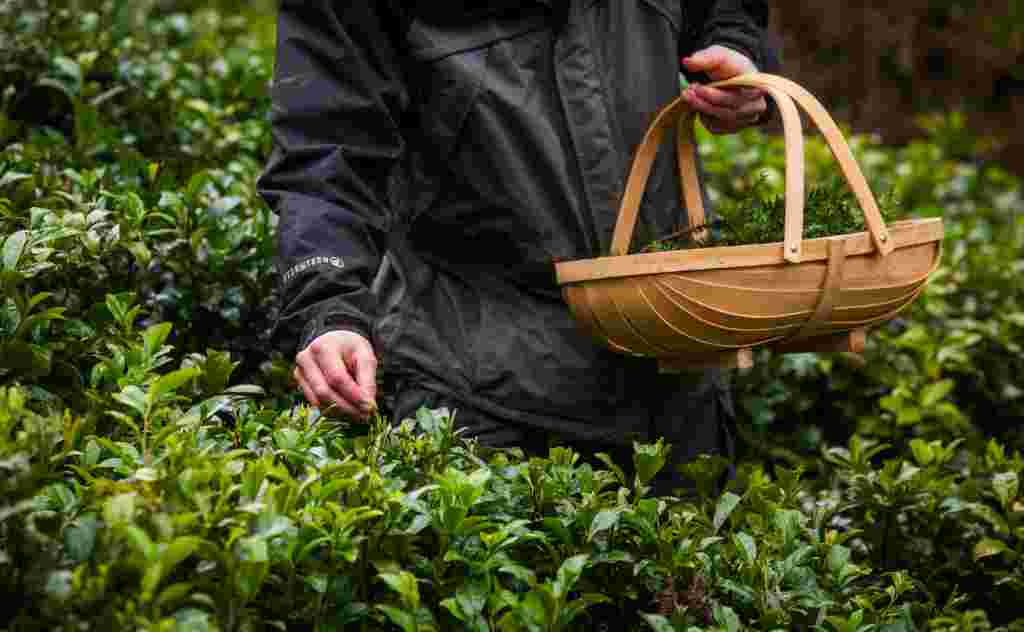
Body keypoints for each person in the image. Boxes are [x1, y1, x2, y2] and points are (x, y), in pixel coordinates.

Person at [258, 1, 780, 495]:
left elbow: (726, 9)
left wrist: (735, 46)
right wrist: (330, 307)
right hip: (481, 407)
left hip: (680, 392)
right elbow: (326, 151)